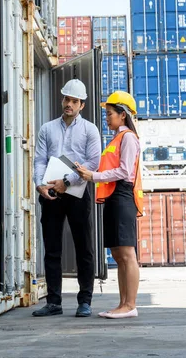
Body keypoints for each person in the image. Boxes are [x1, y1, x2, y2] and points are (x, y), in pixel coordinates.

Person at [32, 78, 101, 318]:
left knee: (84, 247)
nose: (68, 104)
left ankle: (85, 301)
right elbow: (40, 159)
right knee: (52, 248)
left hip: (77, 194)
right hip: (50, 194)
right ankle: (54, 302)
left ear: (82, 104)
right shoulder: (47, 128)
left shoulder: (90, 130)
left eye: (74, 101)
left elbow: (93, 163)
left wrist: (67, 182)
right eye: (66, 99)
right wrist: (40, 184)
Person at [76, 91, 143, 319]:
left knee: (127, 253)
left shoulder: (129, 139)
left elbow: (125, 171)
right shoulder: (116, 139)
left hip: (123, 196)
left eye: (110, 113)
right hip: (114, 198)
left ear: (123, 115)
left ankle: (130, 304)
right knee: (117, 253)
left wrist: (92, 176)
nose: (107, 117)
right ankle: (123, 304)